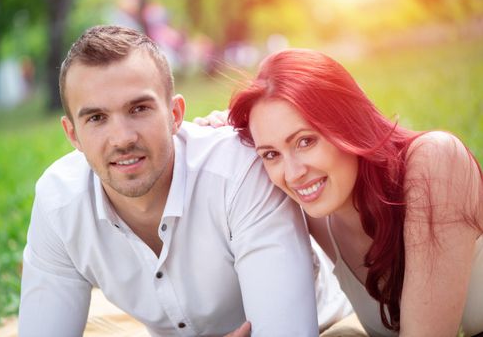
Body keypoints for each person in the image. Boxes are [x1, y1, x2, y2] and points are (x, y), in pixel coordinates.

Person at [17, 26, 351, 337]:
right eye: (97, 118)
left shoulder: (237, 172)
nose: (121, 138)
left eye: (139, 109)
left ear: (175, 115)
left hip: (326, 325)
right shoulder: (59, 203)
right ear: (72, 133)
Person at [196, 49, 483, 336]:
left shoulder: (434, 160)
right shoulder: (317, 216)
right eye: (271, 154)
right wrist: (218, 144)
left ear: (347, 123)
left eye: (305, 141)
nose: (293, 174)